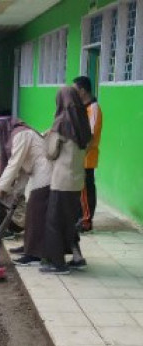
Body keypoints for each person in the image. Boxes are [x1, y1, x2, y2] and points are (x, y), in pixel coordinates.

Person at [39, 86, 92, 275]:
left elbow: (50, 153)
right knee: (67, 222)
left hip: (61, 181)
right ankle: (71, 258)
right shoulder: (84, 124)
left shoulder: (61, 123)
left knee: (54, 222)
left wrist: (47, 137)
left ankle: (57, 264)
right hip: (77, 181)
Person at [0, 115, 53, 266]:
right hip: (37, 173)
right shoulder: (16, 134)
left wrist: (0, 187)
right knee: (32, 214)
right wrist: (17, 191)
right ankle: (29, 247)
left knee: (35, 214)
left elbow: (14, 163)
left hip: (45, 173)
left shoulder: (21, 134)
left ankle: (35, 255)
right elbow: (23, 168)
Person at [73, 76, 103, 232]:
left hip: (86, 157)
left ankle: (86, 221)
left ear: (83, 90)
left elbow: (90, 135)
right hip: (79, 155)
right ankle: (80, 217)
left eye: (76, 90)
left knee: (85, 190)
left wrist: (81, 151)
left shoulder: (94, 108)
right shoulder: (83, 108)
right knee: (81, 190)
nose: (74, 93)